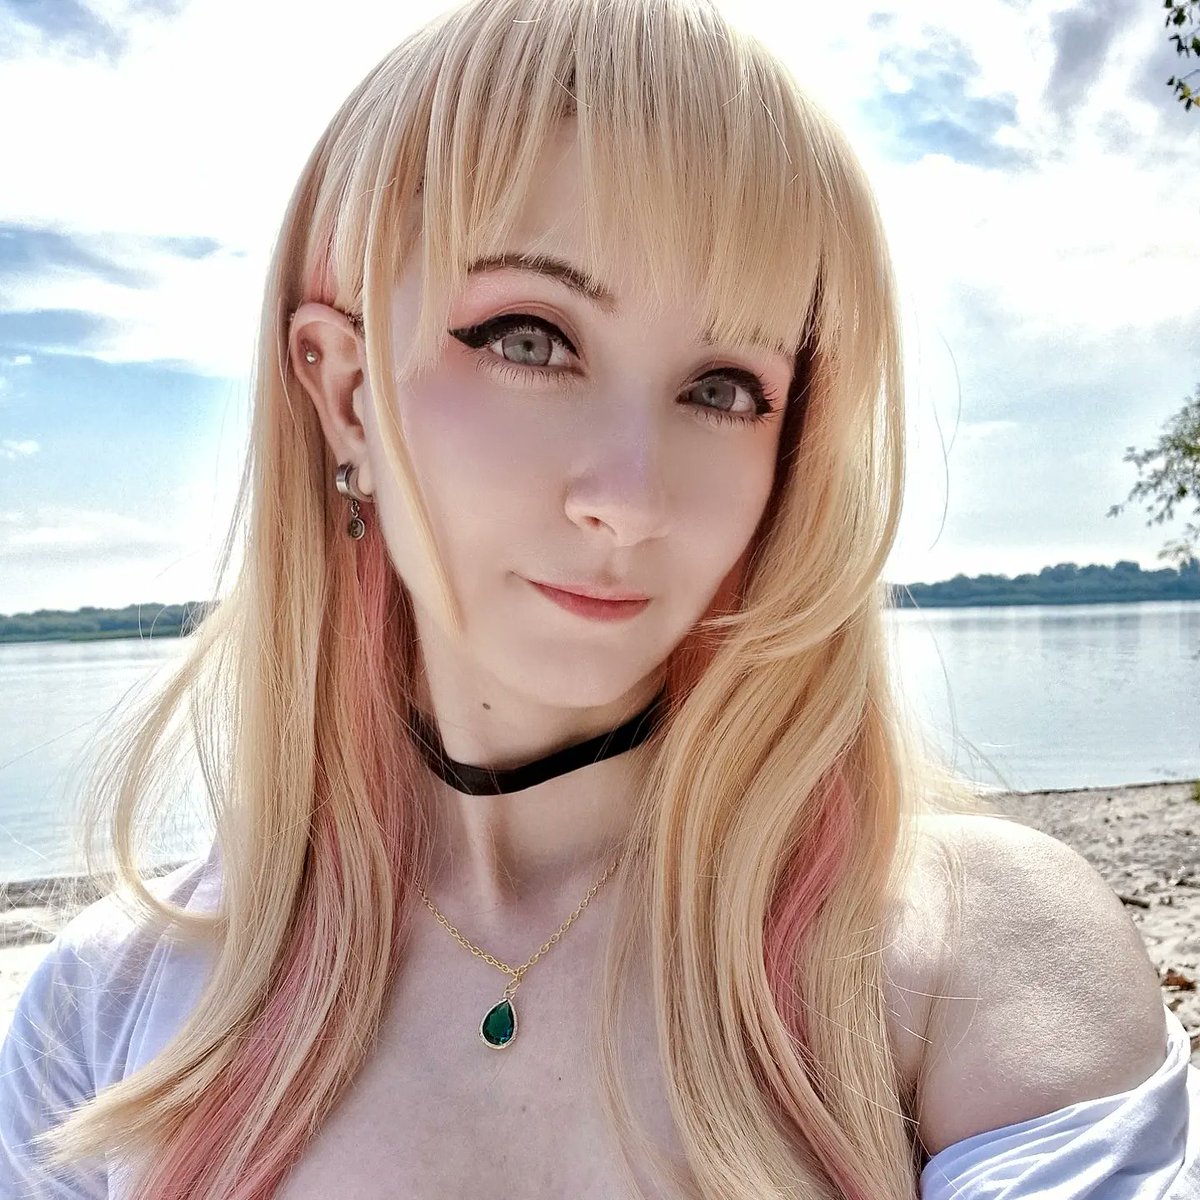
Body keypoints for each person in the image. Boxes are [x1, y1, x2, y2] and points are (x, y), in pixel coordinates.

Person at [2, 0, 1197, 1196]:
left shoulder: (971, 956)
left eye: (724, 388)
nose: (630, 498)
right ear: (347, 393)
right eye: (529, 338)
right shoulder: (102, 1018)